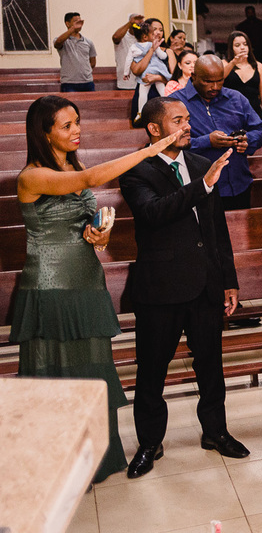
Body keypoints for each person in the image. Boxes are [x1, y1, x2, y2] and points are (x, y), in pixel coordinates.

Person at [14, 96, 180, 483]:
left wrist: (99, 234)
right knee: (55, 372)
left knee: (89, 369)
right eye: (67, 126)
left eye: (77, 123)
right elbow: (89, 182)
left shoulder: (74, 163)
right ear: (44, 132)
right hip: (50, 286)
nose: (77, 131)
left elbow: (91, 219)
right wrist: (152, 150)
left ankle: (92, 457)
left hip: (86, 279)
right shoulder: (31, 175)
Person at [118, 97, 249, 478]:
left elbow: (216, 229)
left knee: (211, 366)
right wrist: (202, 187)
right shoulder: (136, 169)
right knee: (152, 371)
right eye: (178, 120)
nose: (188, 126)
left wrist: (229, 281)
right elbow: (153, 213)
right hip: (160, 286)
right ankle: (149, 443)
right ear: (154, 129)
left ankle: (216, 432)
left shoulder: (201, 163)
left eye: (188, 119)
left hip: (206, 282)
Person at [178, 55, 262, 210]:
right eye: (208, 81)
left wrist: (248, 140)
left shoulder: (236, 98)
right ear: (194, 76)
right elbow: (170, 144)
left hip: (239, 185)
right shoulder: (176, 103)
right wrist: (207, 141)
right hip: (200, 189)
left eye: (220, 80)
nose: (215, 87)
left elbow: (259, 129)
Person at [130, 18, 174, 121]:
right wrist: (151, 50)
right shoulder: (137, 50)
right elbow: (136, 71)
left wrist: (158, 77)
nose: (158, 32)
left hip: (162, 93)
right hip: (143, 92)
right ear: (146, 32)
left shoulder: (168, 52)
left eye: (161, 29)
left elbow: (174, 78)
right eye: (155, 29)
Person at [222, 31, 262, 121]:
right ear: (231, 48)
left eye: (245, 44)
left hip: (254, 112)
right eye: (237, 45)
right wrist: (233, 62)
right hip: (231, 113)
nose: (242, 48)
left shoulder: (258, 66)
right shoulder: (225, 64)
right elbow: (220, 78)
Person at [54, 12, 97, 92]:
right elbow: (57, 43)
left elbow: (93, 62)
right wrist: (73, 29)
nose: (79, 23)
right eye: (76, 21)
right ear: (67, 24)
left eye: (80, 20)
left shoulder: (88, 42)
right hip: (69, 83)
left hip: (87, 82)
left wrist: (83, 72)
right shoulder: (63, 40)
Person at [112, 13, 144, 90]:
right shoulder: (123, 36)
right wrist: (130, 23)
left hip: (142, 83)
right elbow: (116, 37)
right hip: (126, 83)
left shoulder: (143, 37)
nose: (138, 24)